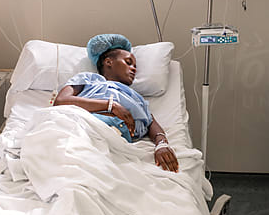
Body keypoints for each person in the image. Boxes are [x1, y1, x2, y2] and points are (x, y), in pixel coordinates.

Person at [54, 34, 179, 173]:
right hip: (82, 125)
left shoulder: (136, 97)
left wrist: (161, 144)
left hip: (116, 140)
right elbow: (60, 101)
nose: (134, 69)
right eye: (128, 62)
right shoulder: (89, 79)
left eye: (135, 66)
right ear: (108, 62)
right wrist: (111, 106)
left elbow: (151, 123)